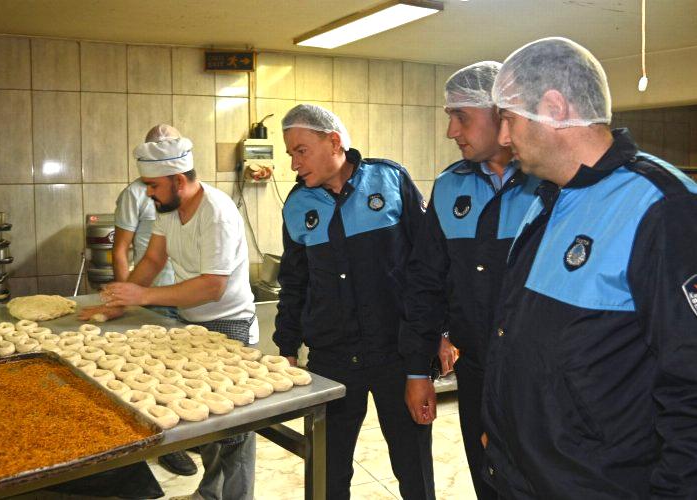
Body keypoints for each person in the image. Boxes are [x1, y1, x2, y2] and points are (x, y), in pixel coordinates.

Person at [482, 37, 697, 498]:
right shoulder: (546, 199)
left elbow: (690, 385)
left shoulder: (663, 208)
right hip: (524, 478)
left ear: (555, 107)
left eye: (508, 119)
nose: (502, 138)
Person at [81, 126, 258, 500]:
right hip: (192, 320)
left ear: (179, 180)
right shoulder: (169, 208)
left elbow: (213, 285)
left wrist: (142, 295)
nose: (147, 192)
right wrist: (120, 303)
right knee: (207, 420)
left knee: (233, 430)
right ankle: (210, 494)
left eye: (153, 186)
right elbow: (154, 258)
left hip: (230, 322)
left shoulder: (217, 212)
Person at [273, 104, 435, 500]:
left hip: (396, 354)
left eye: (300, 150)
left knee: (414, 466)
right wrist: (286, 348)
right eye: (290, 154)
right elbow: (294, 283)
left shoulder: (390, 179)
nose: (294, 163)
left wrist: (439, 335)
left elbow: (426, 267)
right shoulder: (297, 204)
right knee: (328, 472)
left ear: (333, 141)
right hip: (332, 357)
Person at [398, 61, 539, 500]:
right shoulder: (450, 187)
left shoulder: (549, 185)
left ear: (502, 113)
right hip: (475, 371)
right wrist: (417, 369)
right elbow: (425, 283)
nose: (451, 131)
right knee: (487, 479)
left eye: (461, 116)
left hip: (537, 377)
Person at [112, 124, 195, 477]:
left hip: (185, 293)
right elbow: (122, 249)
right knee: (151, 376)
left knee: (183, 373)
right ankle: (163, 445)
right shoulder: (136, 194)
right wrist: (123, 298)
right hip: (150, 295)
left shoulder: (189, 196)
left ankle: (187, 437)